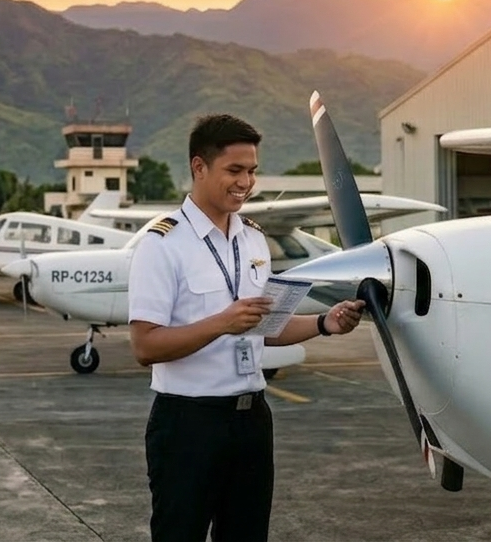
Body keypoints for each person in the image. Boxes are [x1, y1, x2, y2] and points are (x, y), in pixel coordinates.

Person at [128, 113, 366, 542]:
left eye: (252, 170)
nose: (246, 182)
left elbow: (265, 327)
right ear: (199, 167)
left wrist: (324, 323)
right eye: (234, 170)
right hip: (187, 424)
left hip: (252, 419)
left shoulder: (253, 239)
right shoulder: (162, 244)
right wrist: (222, 323)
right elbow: (145, 346)